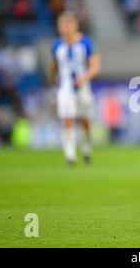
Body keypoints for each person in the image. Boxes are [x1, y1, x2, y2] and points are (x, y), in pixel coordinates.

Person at [51, 11, 100, 166]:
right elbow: (54, 66)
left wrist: (84, 77)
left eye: (68, 24)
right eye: (62, 24)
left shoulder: (86, 43)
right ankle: (70, 156)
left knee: (85, 121)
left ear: (75, 25)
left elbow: (95, 66)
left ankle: (86, 150)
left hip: (83, 87)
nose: (66, 27)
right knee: (68, 119)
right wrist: (55, 80)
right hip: (65, 88)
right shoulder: (57, 45)